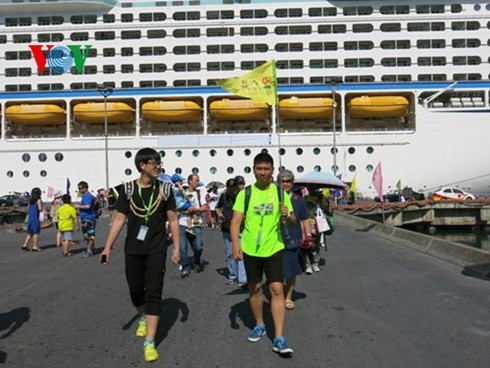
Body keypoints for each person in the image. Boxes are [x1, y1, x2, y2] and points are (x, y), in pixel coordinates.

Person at [100, 147, 180, 363]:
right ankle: (143, 315)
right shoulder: (127, 190)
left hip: (156, 248)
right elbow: (119, 219)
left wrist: (177, 248)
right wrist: (108, 247)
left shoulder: (165, 189)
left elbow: (173, 219)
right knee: (136, 291)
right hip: (133, 249)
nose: (157, 165)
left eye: (159, 162)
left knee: (154, 292)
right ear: (142, 165)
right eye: (153, 162)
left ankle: (150, 342)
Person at [230, 152, 296, 355]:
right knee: (256, 288)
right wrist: (235, 244)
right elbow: (235, 221)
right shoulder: (246, 193)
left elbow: (292, 221)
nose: (263, 173)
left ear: (272, 170)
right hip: (250, 248)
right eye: (259, 169)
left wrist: (288, 215)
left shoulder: (281, 193)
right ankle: (259, 324)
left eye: (266, 169)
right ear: (253, 170)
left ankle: (279, 337)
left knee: (277, 289)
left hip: (274, 247)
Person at [277, 170, 314, 310]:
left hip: (294, 238)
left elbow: (304, 218)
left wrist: (308, 235)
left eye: (288, 181)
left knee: (292, 271)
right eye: (282, 181)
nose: (285, 184)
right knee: (277, 272)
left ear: (292, 183)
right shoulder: (274, 198)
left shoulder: (298, 200)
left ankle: (288, 297)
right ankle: (278, 296)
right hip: (275, 240)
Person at [215, 178, 247, 287]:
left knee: (240, 252)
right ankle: (233, 275)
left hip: (241, 227)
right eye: (230, 189)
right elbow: (217, 208)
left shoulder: (242, 196)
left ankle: (242, 279)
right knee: (229, 253)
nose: (232, 191)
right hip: (226, 227)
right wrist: (219, 214)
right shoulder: (224, 196)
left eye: (234, 189)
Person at [178, 173, 208, 278]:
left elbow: (205, 207)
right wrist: (184, 210)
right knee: (183, 247)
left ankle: (196, 260)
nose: (198, 182)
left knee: (198, 246)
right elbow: (176, 206)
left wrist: (196, 209)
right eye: (196, 180)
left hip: (196, 223)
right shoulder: (181, 192)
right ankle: (185, 268)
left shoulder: (200, 193)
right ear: (190, 181)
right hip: (182, 222)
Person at [304, 185, 330, 274]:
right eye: (310, 187)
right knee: (307, 244)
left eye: (314, 187)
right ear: (307, 188)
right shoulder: (305, 198)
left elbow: (326, 208)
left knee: (316, 244)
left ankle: (315, 263)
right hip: (307, 223)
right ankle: (308, 264)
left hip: (318, 224)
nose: (312, 189)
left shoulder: (321, 197)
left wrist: (322, 199)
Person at [76, 181, 97, 258]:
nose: (79, 190)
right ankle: (92, 249)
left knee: (89, 236)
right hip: (85, 218)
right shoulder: (85, 196)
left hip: (89, 218)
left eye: (80, 188)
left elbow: (87, 206)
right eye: (78, 188)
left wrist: (78, 206)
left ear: (85, 188)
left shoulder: (88, 196)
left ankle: (89, 251)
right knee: (88, 235)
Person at [21, 187, 43, 252]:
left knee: (30, 232)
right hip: (35, 217)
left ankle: (25, 245)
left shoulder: (30, 200)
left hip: (31, 217)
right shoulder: (38, 200)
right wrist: (42, 208)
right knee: (36, 232)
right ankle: (35, 246)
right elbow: (40, 209)